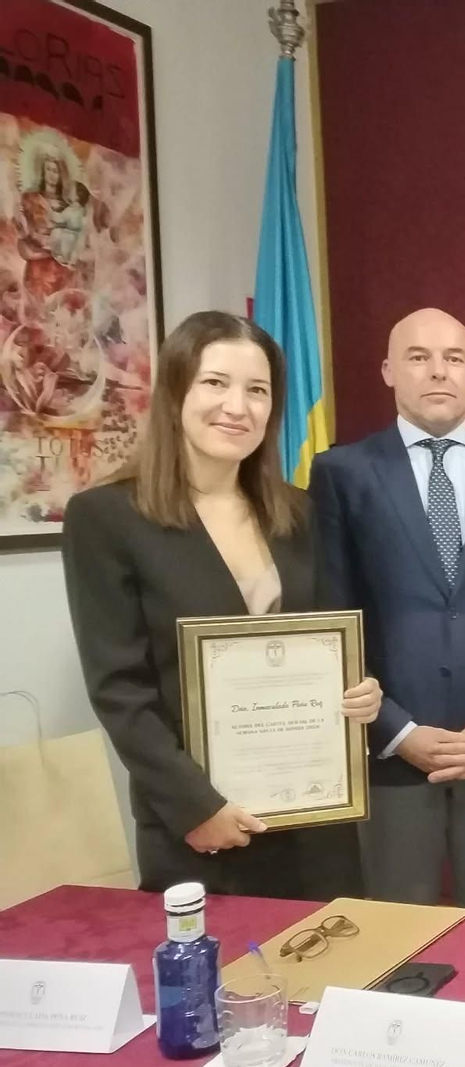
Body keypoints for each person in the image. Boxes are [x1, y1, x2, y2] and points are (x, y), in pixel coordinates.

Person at [62, 311, 380, 898]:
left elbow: (325, 641)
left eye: (257, 390)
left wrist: (359, 691)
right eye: (215, 383)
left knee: (329, 976)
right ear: (177, 391)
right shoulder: (105, 518)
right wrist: (195, 806)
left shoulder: (300, 513)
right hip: (203, 828)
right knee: (214, 986)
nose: (237, 406)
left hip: (314, 816)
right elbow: (120, 690)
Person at [309, 307, 465, 913]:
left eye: (453, 358)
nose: (437, 371)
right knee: (398, 932)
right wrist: (398, 730)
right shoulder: (343, 473)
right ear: (389, 371)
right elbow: (329, 617)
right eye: (418, 357)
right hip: (391, 748)